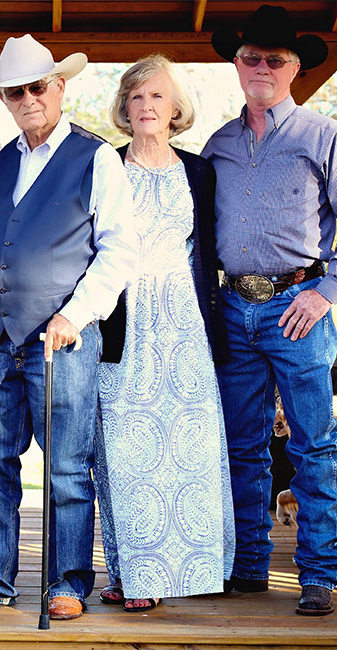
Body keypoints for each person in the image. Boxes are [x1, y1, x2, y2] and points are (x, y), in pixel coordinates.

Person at [0, 34, 137, 619]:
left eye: (37, 87)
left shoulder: (96, 158)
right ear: (4, 99)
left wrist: (75, 314)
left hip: (65, 340)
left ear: (58, 87)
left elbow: (119, 251)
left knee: (67, 467)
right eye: (15, 92)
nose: (28, 99)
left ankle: (67, 583)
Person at [202, 3, 337, 616]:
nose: (262, 67)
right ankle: (249, 565)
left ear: (295, 68)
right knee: (241, 446)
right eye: (251, 57)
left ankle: (320, 573)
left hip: (298, 307)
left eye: (275, 60)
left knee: (313, 445)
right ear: (236, 64)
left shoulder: (323, 136)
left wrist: (325, 292)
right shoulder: (219, 144)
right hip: (233, 306)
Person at [93, 54, 235, 613]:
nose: (147, 105)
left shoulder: (200, 171)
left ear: (176, 108)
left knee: (190, 446)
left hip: (183, 322)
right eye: (137, 96)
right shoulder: (105, 165)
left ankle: (196, 568)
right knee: (127, 448)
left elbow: (208, 251)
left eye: (157, 96)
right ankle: (135, 573)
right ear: (124, 108)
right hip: (123, 319)